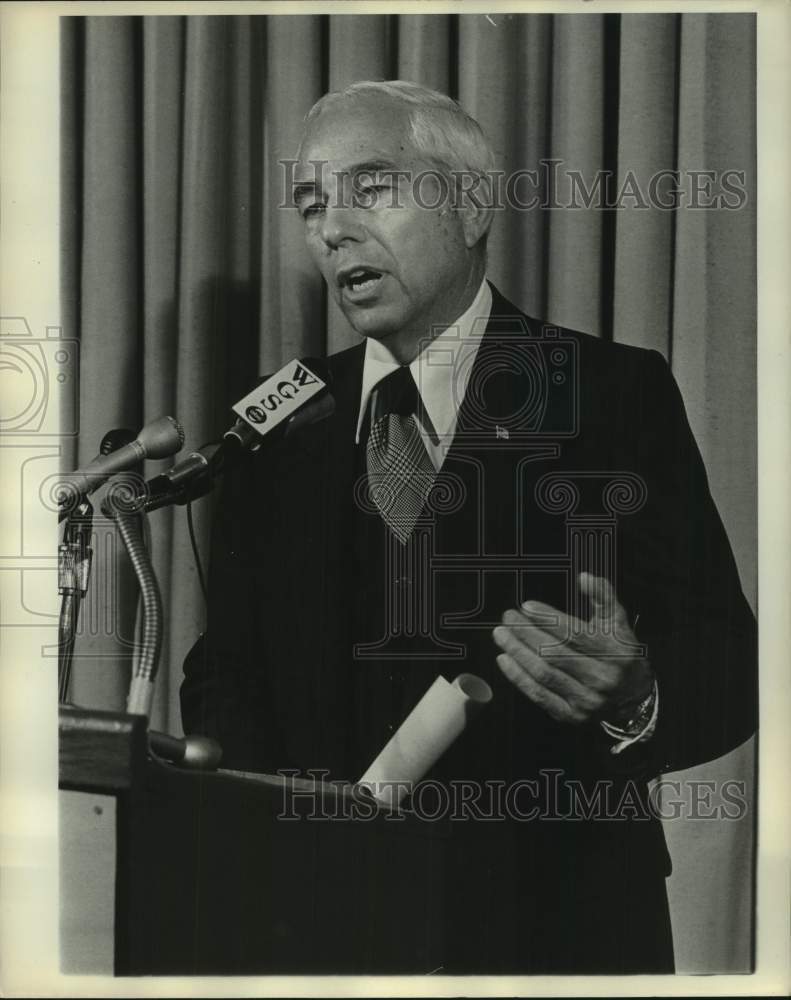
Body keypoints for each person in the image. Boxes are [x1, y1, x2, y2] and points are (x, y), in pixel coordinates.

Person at [181, 80, 757, 974]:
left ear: (473, 202)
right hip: (326, 935)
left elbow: (726, 657)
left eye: (370, 189)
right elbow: (225, 670)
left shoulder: (611, 393)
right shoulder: (278, 427)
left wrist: (637, 698)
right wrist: (275, 825)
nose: (331, 230)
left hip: (554, 931)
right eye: (309, 206)